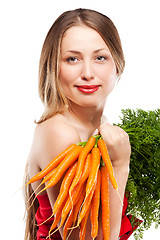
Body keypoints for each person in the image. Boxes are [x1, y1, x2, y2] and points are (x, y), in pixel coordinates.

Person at [24, 8, 132, 240]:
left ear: (118, 64)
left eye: (100, 57)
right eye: (72, 59)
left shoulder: (103, 126)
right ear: (53, 67)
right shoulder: (59, 133)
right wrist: (121, 165)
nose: (88, 73)